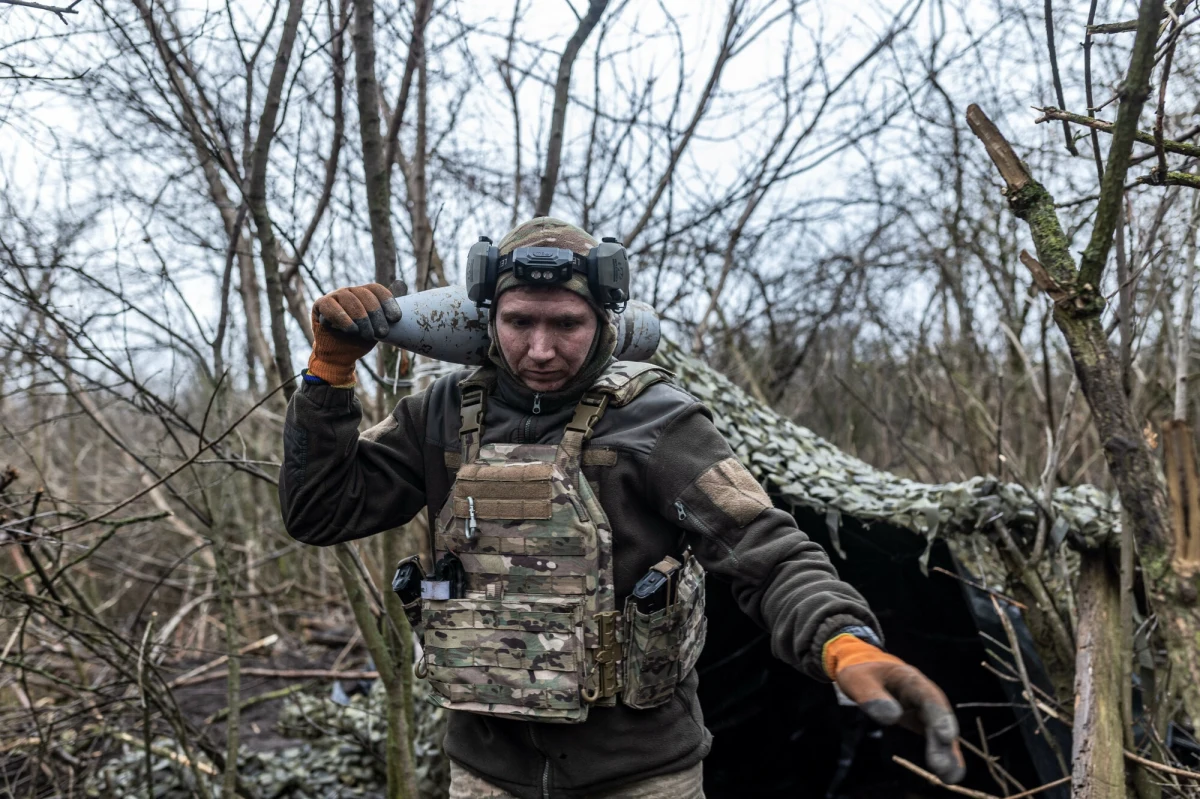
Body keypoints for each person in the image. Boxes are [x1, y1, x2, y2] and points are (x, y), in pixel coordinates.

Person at [279, 218, 965, 799]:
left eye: (566, 324)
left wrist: (841, 641)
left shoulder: (658, 421)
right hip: (486, 774)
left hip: (640, 776)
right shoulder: (440, 415)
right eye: (519, 322)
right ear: (488, 318)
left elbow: (767, 550)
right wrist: (329, 374)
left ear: (605, 319)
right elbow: (320, 512)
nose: (540, 349)